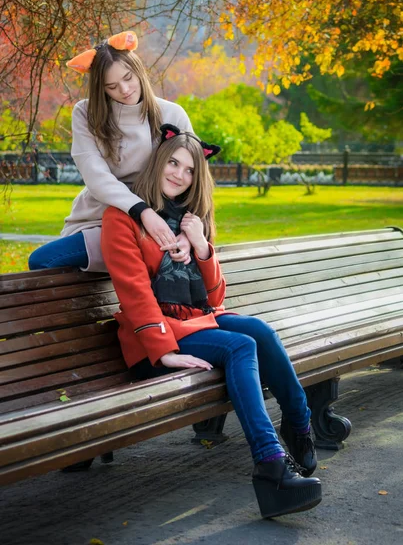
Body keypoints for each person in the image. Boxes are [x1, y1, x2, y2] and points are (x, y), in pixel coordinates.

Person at [100, 124, 322, 519]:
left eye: (189, 170)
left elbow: (215, 298)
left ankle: (299, 423)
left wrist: (201, 244)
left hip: (195, 322)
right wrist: (165, 352)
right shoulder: (122, 218)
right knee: (241, 345)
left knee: (260, 331)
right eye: (173, 163)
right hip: (155, 337)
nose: (179, 175)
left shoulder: (190, 220)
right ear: (157, 163)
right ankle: (271, 466)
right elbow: (134, 292)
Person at [29, 31, 193, 272]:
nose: (125, 90)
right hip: (102, 218)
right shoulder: (86, 113)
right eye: (112, 86)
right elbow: (96, 176)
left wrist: (188, 235)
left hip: (161, 221)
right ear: (101, 88)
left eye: (128, 78)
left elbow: (194, 178)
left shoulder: (172, 114)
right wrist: (142, 211)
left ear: (139, 71)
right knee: (45, 262)